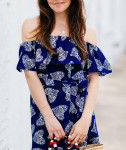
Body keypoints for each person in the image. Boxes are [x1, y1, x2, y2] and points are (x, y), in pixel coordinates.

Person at [16, 0, 112, 149]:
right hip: (45, 112)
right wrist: (48, 118)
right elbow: (30, 75)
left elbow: (93, 80)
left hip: (80, 113)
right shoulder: (32, 26)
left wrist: (85, 119)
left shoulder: (87, 32)